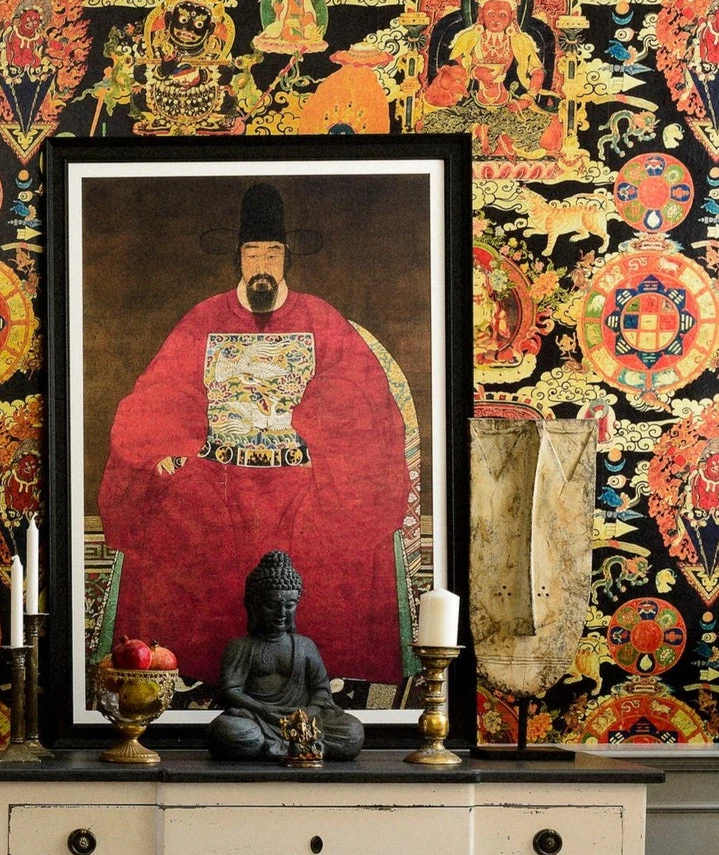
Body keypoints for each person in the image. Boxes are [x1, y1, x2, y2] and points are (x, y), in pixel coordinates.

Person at [98, 181, 410, 689]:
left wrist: (321, 434)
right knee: (175, 533)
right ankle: (187, 674)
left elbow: (363, 398)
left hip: (298, 484)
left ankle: (324, 676)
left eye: (272, 254)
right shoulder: (204, 318)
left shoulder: (320, 319)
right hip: (218, 479)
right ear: (237, 259)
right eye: (252, 254)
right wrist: (166, 449)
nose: (262, 265)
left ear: (287, 259)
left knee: (337, 545)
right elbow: (163, 391)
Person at [206, 550, 364, 760]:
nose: (281, 613)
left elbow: (321, 690)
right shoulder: (241, 646)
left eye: (289, 605)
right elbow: (230, 692)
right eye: (272, 605)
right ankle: (302, 747)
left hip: (303, 720)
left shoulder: (305, 646)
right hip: (257, 719)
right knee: (229, 731)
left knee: (352, 732)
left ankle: (292, 745)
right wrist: (263, 710)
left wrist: (309, 711)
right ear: (254, 606)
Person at [421, 0, 561, 158]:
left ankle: (494, 135)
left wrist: (527, 99)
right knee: (432, 123)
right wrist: (473, 72)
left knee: (551, 132)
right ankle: (484, 132)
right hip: (473, 105)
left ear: (512, 16)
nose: (496, 20)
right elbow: (453, 70)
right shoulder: (468, 38)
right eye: (491, 14)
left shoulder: (520, 40)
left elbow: (537, 72)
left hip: (508, 104)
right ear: (481, 14)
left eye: (502, 15)